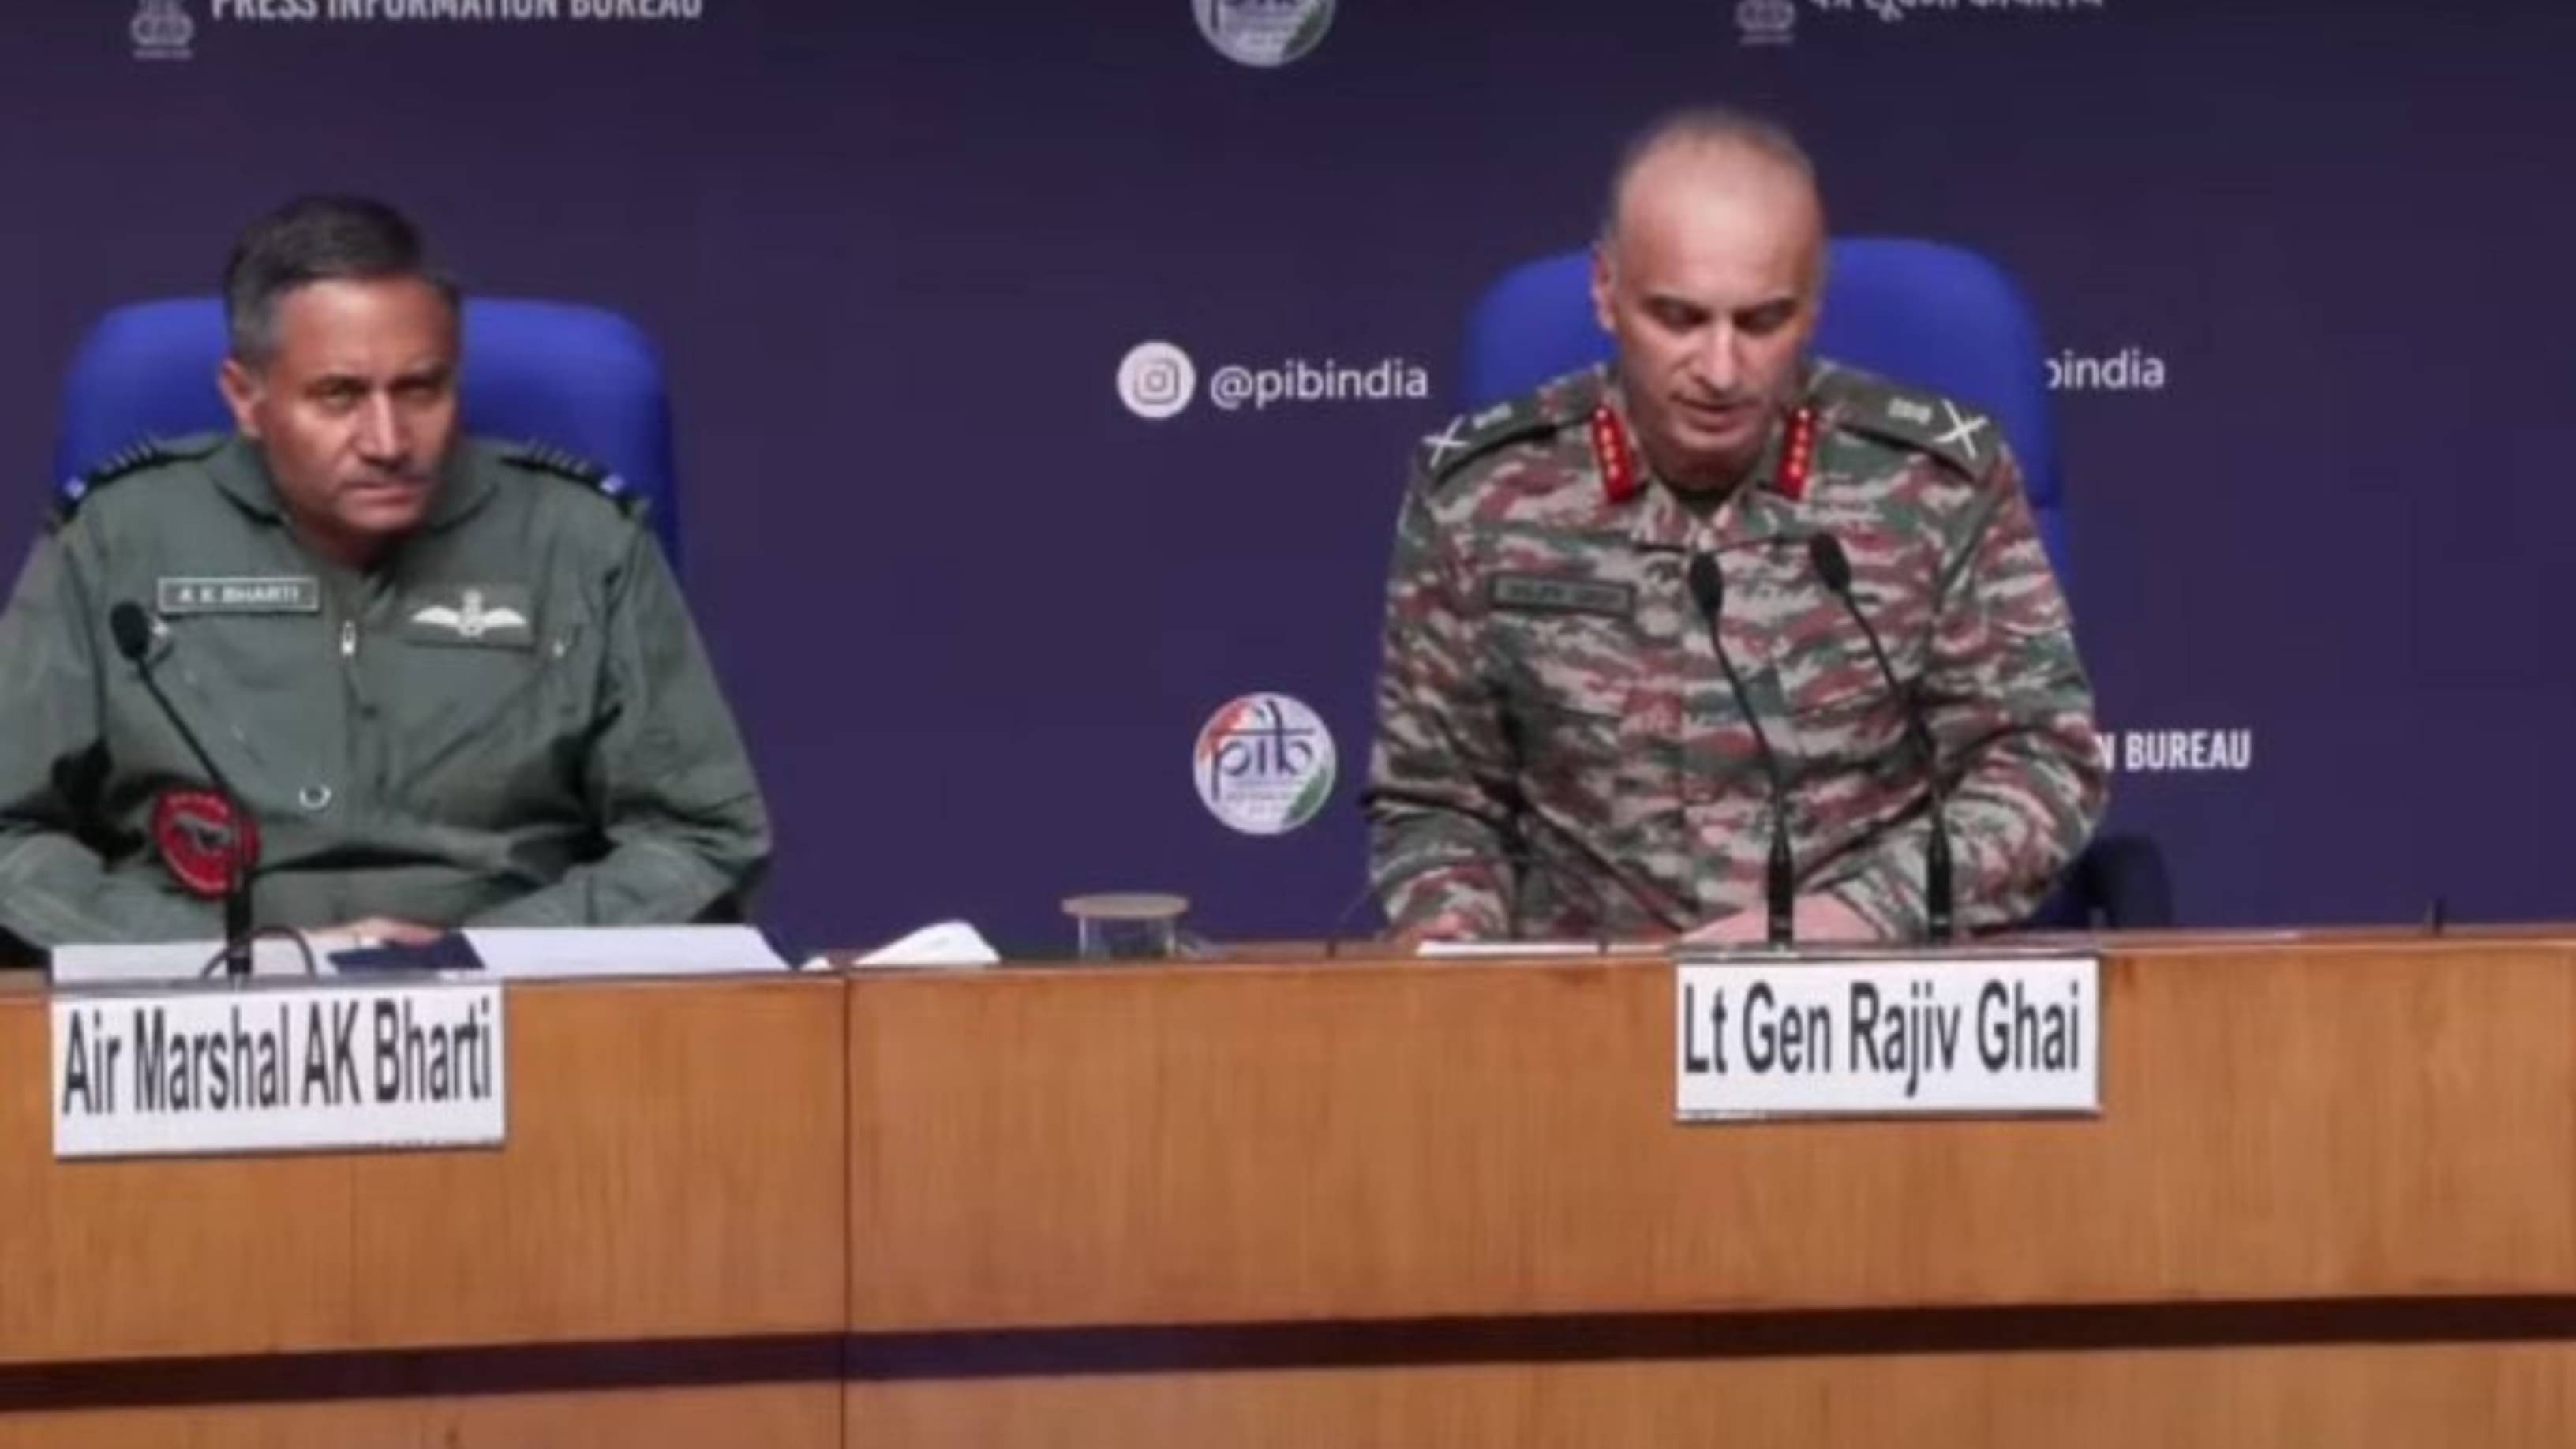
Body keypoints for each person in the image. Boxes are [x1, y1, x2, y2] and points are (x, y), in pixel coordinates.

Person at [1365, 109, 2106, 944]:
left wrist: (1860, 916)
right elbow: (1438, 802)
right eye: (1679, 319)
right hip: (1585, 991)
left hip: (1863, 992)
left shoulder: (1935, 484)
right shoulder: (1478, 496)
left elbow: (2042, 765)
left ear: (1812, 308)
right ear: (1606, 292)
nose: (1720, 370)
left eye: (1760, 323)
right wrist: (1473, 969)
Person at [0, 195, 770, 951]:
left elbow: (702, 833)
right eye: (339, 395)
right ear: (245, 397)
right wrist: (231, 959)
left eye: (419, 389)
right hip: (199, 1000)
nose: (388, 441)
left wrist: (483, 955)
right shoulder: (116, 540)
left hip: (516, 997)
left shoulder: (581, 542)